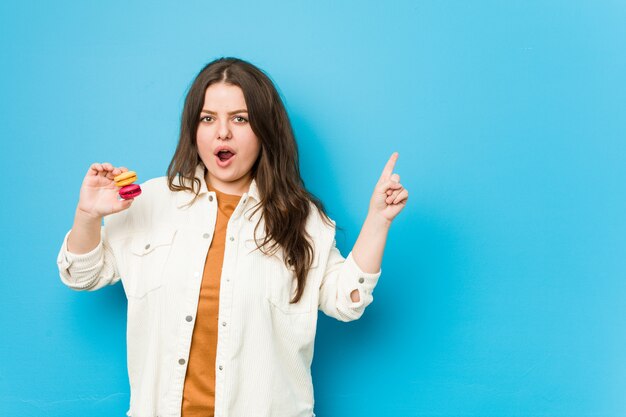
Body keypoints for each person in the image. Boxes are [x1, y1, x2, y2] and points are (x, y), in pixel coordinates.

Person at [56, 57, 408, 417]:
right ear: (194, 129)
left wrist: (378, 220)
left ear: (264, 130)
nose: (222, 132)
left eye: (240, 119)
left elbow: (345, 301)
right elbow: (82, 274)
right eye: (208, 118)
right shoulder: (150, 202)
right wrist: (87, 216)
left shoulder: (302, 220)